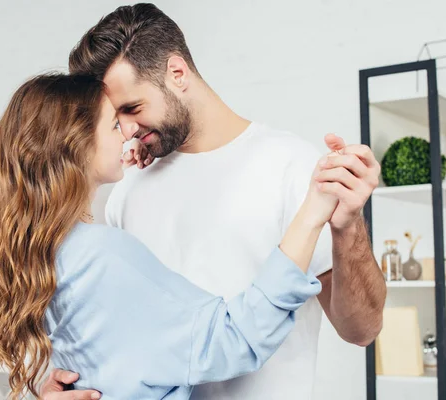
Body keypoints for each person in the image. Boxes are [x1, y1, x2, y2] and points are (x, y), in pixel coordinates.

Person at [42, 3, 387, 400]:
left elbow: (362, 330)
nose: (128, 129)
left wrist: (347, 225)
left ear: (177, 72)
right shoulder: (127, 191)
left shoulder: (295, 169)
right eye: (116, 117)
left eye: (132, 108)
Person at [0, 73, 342, 399]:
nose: (129, 133)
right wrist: (311, 213)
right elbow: (234, 340)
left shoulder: (45, 255)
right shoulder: (102, 253)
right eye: (114, 125)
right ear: (79, 143)